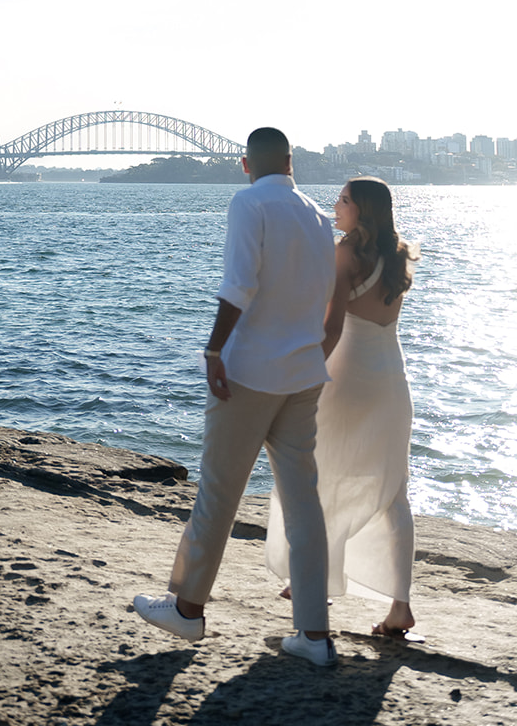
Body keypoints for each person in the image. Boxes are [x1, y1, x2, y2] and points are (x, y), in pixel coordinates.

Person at [132, 127, 339, 667]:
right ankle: (314, 635)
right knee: (303, 503)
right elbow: (326, 299)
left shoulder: (249, 204)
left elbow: (239, 284)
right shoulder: (320, 217)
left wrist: (214, 349)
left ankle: (187, 609)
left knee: (219, 493)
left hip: (250, 372)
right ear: (291, 162)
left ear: (245, 164)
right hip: (303, 373)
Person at [266, 177, 419, 636]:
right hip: (391, 378)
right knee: (393, 491)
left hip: (347, 377)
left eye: (344, 200)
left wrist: (302, 375)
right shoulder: (400, 254)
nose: (336, 205)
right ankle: (400, 606)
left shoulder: (346, 254)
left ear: (363, 211)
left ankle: (312, 581)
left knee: (315, 474)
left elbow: (332, 328)